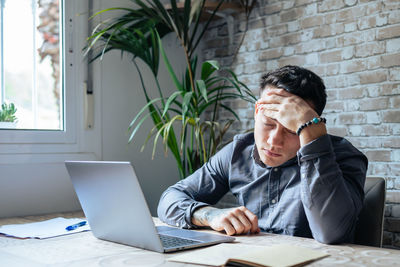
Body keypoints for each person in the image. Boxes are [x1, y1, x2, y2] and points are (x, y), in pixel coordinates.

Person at [157, 65, 368, 244]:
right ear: (257, 112)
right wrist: (210, 215)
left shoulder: (344, 157)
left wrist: (312, 135)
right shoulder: (238, 152)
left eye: (291, 129)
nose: (274, 140)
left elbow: (330, 233)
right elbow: (170, 199)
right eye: (268, 123)